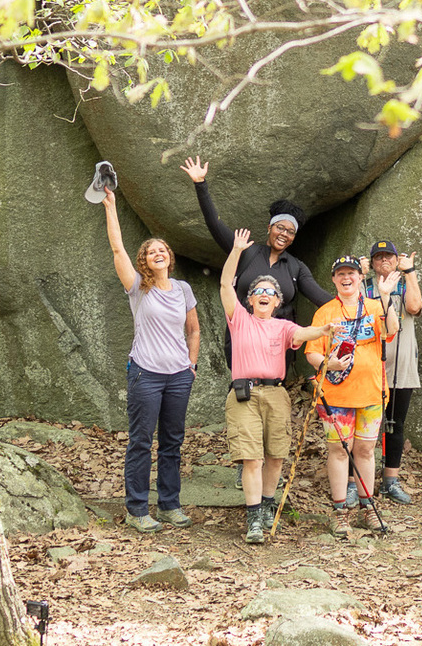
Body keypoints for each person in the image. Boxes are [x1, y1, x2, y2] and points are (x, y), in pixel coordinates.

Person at [219, 229, 338, 543]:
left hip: (276, 394)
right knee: (252, 458)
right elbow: (223, 284)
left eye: (270, 292)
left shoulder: (284, 326)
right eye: (258, 290)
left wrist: (325, 328)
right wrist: (236, 250)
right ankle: (254, 519)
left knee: (274, 457)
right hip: (244, 394)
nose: (264, 293)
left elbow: (305, 334)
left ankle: (269, 505)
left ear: (276, 302)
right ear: (250, 299)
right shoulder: (239, 319)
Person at [101, 189, 201, 533]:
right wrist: (111, 206)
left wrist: (192, 365)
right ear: (145, 260)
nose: (157, 253)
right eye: (150, 251)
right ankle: (137, 508)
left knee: (173, 442)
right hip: (145, 374)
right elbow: (117, 249)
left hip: (178, 376)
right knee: (142, 440)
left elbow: (193, 330)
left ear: (169, 258)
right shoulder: (138, 287)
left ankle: (170, 505)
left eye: (162, 250)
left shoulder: (184, 289)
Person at [304, 254, 398, 532]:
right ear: (333, 279)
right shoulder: (325, 312)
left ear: (360, 277)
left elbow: (392, 330)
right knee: (339, 450)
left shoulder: (373, 305)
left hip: (372, 392)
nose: (347, 278)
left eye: (352, 273)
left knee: (366, 450)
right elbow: (312, 351)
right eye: (341, 274)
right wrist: (326, 364)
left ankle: (367, 508)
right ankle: (340, 511)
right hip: (335, 396)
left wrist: (385, 297)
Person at [181, 156, 334, 315]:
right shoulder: (246, 251)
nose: (284, 234)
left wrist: (358, 303)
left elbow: (322, 299)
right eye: (280, 228)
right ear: (269, 228)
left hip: (280, 337)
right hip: (242, 334)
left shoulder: (296, 268)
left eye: (290, 232)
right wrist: (200, 184)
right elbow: (214, 224)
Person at [364, 239, 422, 504]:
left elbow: (414, 307)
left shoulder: (405, 283)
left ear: (397, 260)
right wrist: (360, 273)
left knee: (395, 425)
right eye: (378, 257)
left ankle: (390, 481)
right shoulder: (365, 287)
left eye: (389, 256)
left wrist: (410, 273)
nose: (384, 261)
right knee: (364, 427)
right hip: (370, 367)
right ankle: (357, 483)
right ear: (373, 263)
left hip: (401, 366)